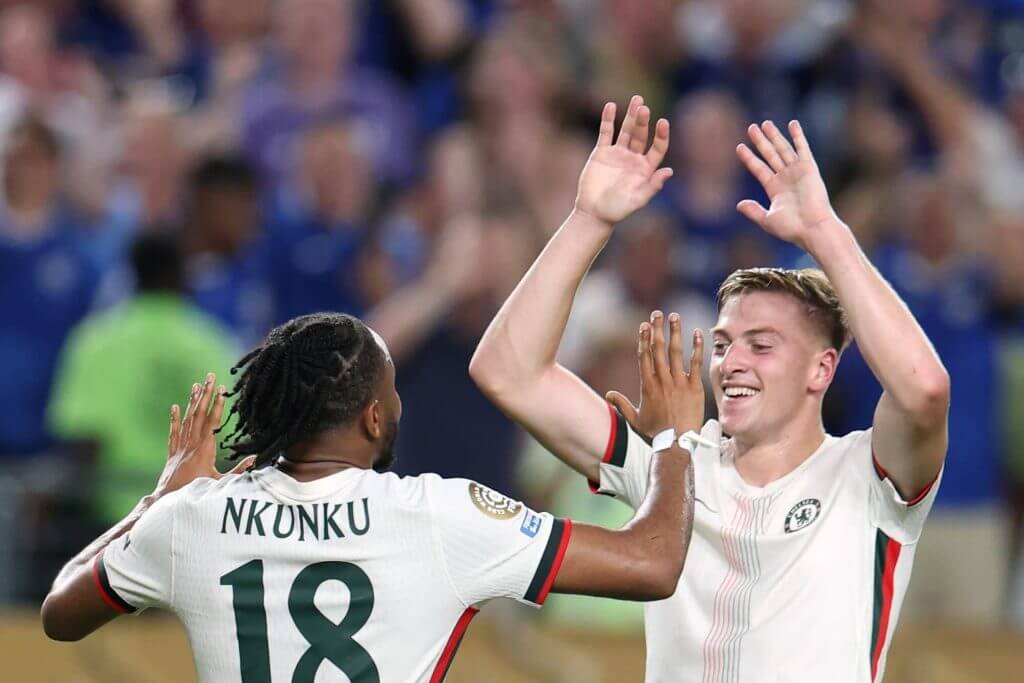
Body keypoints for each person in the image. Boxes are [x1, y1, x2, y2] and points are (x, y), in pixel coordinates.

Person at [39, 89, 704, 682]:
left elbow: (60, 612)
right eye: (391, 393)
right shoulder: (439, 516)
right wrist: (674, 437)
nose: (399, 404)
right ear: (372, 418)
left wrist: (159, 498)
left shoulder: (193, 517)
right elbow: (650, 562)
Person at [470, 95, 950, 681]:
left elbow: (924, 391)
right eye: (723, 345)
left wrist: (825, 233)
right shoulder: (672, 466)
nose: (732, 363)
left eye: (762, 345)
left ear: (821, 370)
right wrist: (588, 220)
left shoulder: (865, 477)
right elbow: (508, 371)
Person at [49, 234, 237, 525]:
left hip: (116, 519)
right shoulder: (210, 343)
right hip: (190, 517)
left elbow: (83, 439)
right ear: (183, 273)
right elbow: (233, 437)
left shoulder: (96, 339)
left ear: (133, 273)